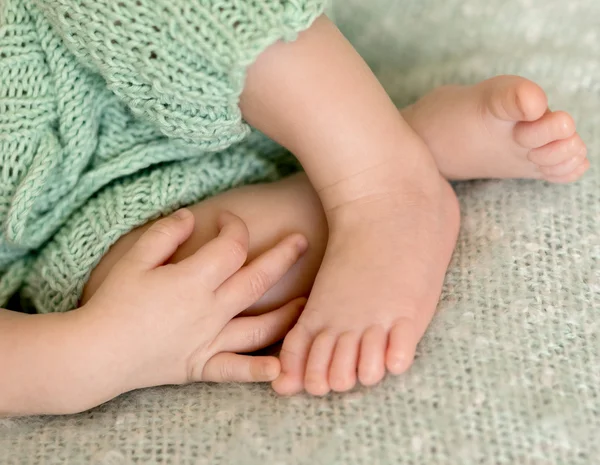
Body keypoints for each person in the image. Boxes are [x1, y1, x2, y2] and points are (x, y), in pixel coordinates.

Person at [0, 1, 587, 416]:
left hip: (109, 46)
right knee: (171, 288)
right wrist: (95, 352)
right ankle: (407, 149)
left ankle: (378, 175)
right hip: (77, 214)